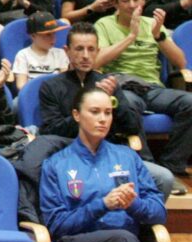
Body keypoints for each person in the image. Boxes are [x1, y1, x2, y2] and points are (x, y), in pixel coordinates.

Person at [37, 22, 178, 196]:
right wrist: (89, 105)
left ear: (98, 51)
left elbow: (132, 126)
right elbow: (52, 130)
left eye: (91, 49)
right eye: (79, 49)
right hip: (70, 155)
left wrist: (113, 100)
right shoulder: (51, 86)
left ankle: (138, 222)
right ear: (67, 51)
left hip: (109, 155)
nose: (85, 55)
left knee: (164, 178)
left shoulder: (109, 84)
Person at [40, 88, 166, 242]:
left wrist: (133, 204)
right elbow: (56, 226)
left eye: (108, 113)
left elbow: (159, 211)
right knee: (121, 239)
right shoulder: (56, 164)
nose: (103, 119)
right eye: (95, 111)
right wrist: (103, 204)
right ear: (76, 115)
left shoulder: (127, 157)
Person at [95, 0, 191, 177]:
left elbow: (181, 62)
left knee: (190, 102)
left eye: (135, 0)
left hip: (152, 88)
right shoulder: (104, 24)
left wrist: (158, 35)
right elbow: (96, 62)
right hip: (123, 87)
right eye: (125, 1)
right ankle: (147, 168)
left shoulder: (152, 24)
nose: (131, 5)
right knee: (128, 105)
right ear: (116, 3)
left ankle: (172, 165)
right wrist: (130, 37)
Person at [11, 11, 69, 89]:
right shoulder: (23, 55)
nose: (53, 38)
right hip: (32, 96)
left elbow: (65, 82)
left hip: (56, 96)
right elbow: (21, 86)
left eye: (54, 33)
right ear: (33, 36)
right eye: (48, 34)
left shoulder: (60, 53)